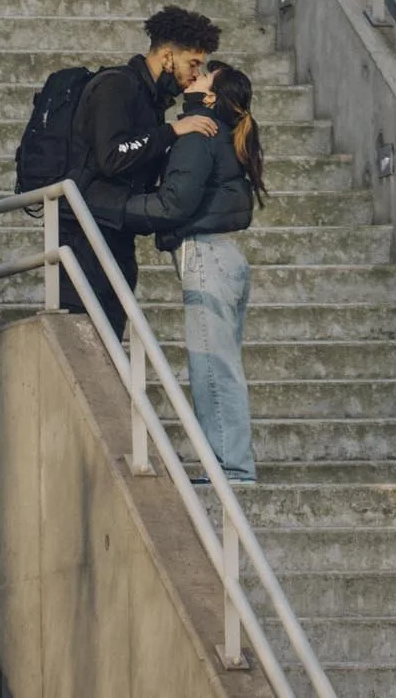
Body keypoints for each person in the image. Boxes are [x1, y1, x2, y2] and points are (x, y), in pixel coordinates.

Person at [126, 60, 266, 484]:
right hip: (225, 258)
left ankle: (230, 469)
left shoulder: (198, 131)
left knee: (212, 368)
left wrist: (116, 209)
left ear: (208, 96)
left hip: (206, 258)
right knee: (221, 365)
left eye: (203, 75)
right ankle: (232, 465)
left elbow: (175, 203)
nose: (194, 74)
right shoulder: (220, 132)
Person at [63, 5, 221, 335]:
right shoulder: (117, 86)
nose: (195, 73)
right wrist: (171, 131)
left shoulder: (149, 99)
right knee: (90, 333)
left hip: (115, 230)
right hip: (86, 233)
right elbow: (112, 157)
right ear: (167, 56)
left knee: (111, 330)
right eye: (192, 63)